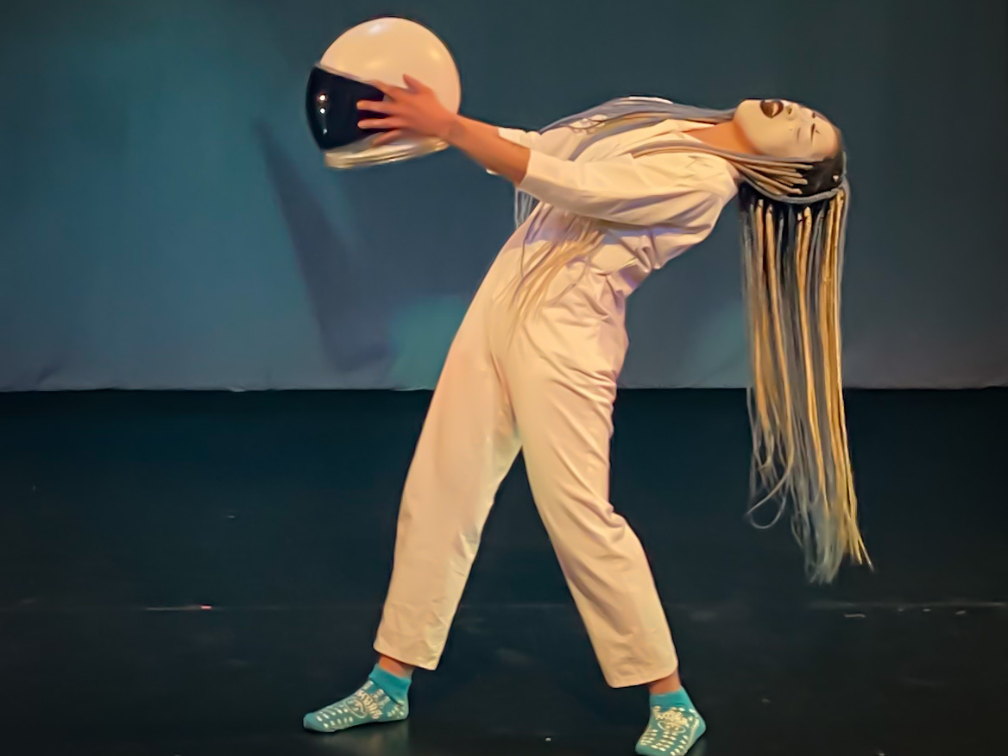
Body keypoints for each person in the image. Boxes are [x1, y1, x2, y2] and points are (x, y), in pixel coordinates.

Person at [302, 78, 870, 756]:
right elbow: (544, 149)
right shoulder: (664, 119)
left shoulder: (702, 183)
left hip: (565, 337)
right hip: (503, 304)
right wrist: (440, 126)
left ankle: (671, 697)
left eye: (807, 134)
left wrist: (449, 126)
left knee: (578, 516)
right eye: (812, 113)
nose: (800, 113)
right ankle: (390, 678)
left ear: (780, 174)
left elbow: (571, 185)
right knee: (440, 490)